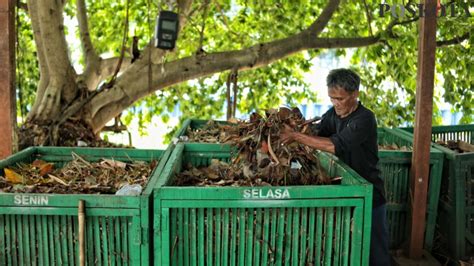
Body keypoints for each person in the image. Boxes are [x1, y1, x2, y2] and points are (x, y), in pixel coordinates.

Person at [280, 68, 390, 266]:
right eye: (332, 98)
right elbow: (317, 132)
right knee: (349, 250)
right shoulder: (333, 114)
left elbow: (334, 145)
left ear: (355, 94)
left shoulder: (364, 119)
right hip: (347, 191)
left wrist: (295, 136)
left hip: (371, 194)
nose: (336, 104)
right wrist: (295, 128)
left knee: (376, 253)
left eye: (340, 98)